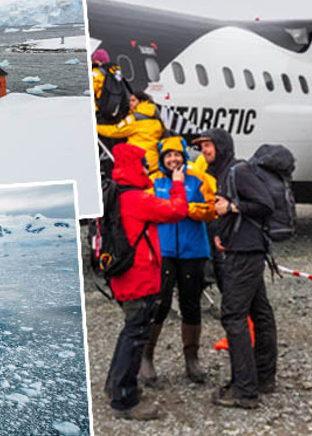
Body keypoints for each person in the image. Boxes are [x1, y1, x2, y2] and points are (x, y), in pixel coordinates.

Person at [193, 128, 277, 410]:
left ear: (222, 146)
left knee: (233, 316)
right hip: (242, 248)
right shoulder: (222, 172)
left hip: (246, 253)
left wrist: (231, 208)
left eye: (208, 145)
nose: (205, 150)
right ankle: (264, 378)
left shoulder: (238, 170)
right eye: (202, 146)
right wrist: (221, 231)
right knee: (260, 312)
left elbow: (266, 203)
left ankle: (244, 390)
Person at [104, 143, 188, 420]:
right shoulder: (136, 199)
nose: (146, 169)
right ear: (132, 166)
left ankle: (114, 387)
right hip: (139, 278)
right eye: (142, 164)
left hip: (121, 276)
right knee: (135, 336)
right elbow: (177, 210)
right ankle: (125, 401)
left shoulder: (114, 196)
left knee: (129, 332)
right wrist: (178, 183)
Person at [141, 135, 217, 385]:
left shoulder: (198, 179)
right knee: (159, 304)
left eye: (177, 155)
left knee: (191, 304)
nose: (173, 159)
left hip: (193, 251)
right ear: (162, 158)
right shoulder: (154, 180)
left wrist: (184, 208)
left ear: (184, 156)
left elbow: (210, 210)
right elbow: (149, 210)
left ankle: (191, 359)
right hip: (162, 252)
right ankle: (146, 356)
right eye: (168, 155)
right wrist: (176, 205)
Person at [97, 91, 164, 173]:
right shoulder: (156, 117)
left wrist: (96, 127)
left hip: (139, 161)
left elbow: (115, 131)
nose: (130, 103)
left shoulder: (134, 119)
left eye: (133, 100)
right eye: (130, 100)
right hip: (154, 161)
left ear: (141, 101)